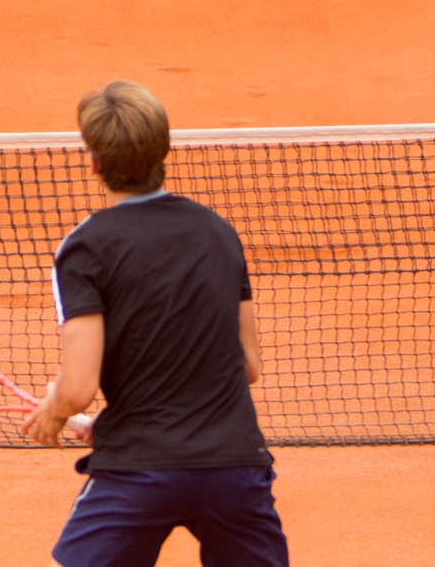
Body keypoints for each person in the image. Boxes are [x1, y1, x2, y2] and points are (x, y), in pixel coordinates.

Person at [23, 80, 289, 567]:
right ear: (163, 150)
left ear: (95, 162)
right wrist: (117, 420)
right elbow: (247, 365)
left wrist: (56, 413)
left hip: (139, 473)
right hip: (234, 465)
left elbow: (78, 386)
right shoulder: (218, 232)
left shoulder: (85, 247)